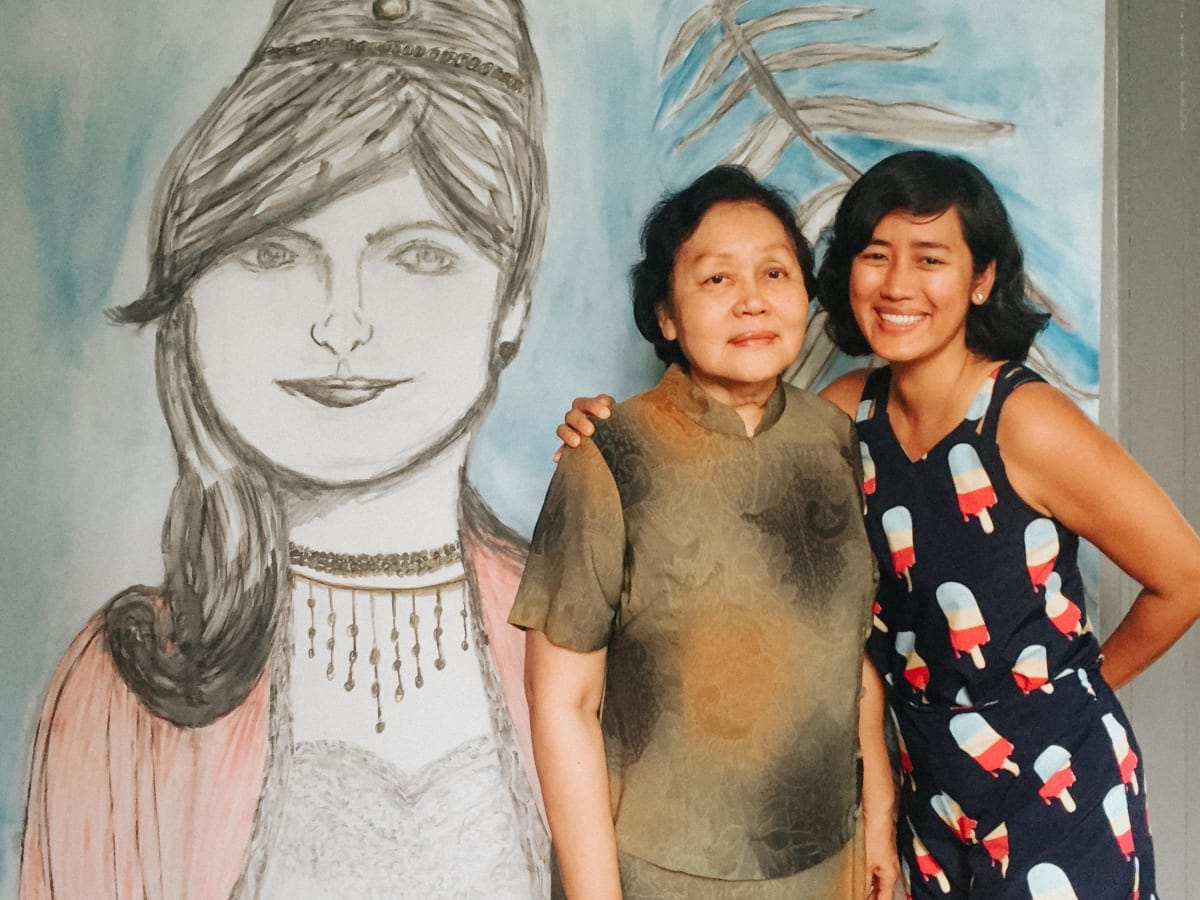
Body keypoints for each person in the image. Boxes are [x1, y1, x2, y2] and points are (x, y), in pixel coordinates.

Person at [558, 150, 1200, 898]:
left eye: (930, 258)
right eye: (875, 254)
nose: (897, 285)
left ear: (981, 278)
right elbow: (729, 458)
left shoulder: (1024, 421)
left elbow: (1185, 577)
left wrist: (1068, 699)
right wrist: (605, 435)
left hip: (1057, 793)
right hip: (927, 792)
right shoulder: (846, 414)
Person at [21, 0, 550, 897]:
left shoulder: (573, 632)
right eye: (272, 253)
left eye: (419, 255)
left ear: (512, 305)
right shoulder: (127, 675)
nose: (340, 323)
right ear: (192, 293)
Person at [510, 165, 899, 899]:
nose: (753, 299)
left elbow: (847, 658)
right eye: (717, 278)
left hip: (829, 868)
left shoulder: (835, 441)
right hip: (660, 877)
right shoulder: (610, 455)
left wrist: (878, 820)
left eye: (775, 272)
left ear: (805, 296)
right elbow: (563, 706)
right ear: (667, 315)